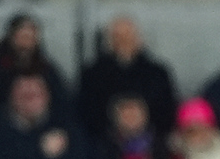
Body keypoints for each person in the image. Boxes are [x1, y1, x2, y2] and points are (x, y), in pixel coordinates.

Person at [78, 16, 181, 145]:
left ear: (139, 39)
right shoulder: (92, 74)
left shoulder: (158, 73)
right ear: (108, 41)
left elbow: (168, 111)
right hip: (105, 146)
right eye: (117, 36)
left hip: (152, 146)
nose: (124, 40)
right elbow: (85, 113)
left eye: (128, 35)